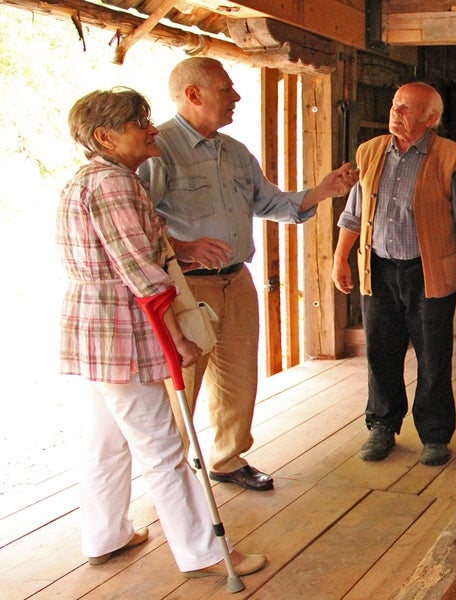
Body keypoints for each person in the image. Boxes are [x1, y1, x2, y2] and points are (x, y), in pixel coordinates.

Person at [57, 87, 265, 578]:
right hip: (121, 329)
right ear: (106, 136)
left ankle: (106, 535)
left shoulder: (93, 180)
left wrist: (183, 248)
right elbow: (141, 270)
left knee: (106, 441)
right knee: (163, 447)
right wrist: (177, 338)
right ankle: (208, 554)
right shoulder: (115, 185)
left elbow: (134, 242)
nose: (152, 129)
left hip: (94, 330)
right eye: (139, 123)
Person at [138, 57, 359, 491]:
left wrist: (324, 190)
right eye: (226, 89)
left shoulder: (234, 152)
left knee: (238, 374)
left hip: (237, 279)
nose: (236, 97)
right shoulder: (157, 148)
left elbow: (269, 203)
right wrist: (183, 248)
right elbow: (136, 220)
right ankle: (170, 476)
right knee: (181, 381)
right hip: (185, 286)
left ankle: (227, 459)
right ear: (193, 95)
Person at [331, 82, 456, 467]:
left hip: (428, 271)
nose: (395, 112)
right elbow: (354, 214)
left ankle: (435, 434)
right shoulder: (370, 153)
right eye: (395, 104)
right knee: (381, 351)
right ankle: (382, 426)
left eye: (406, 108)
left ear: (430, 118)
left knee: (433, 354)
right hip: (379, 269)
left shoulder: (450, 157)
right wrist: (340, 259)